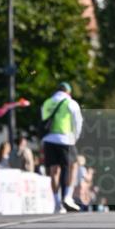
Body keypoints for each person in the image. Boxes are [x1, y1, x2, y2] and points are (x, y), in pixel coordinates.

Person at [41, 81, 83, 213]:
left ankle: (56, 202)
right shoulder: (70, 103)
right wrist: (75, 137)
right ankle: (67, 196)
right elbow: (78, 121)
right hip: (65, 138)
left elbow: (43, 119)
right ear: (68, 92)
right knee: (72, 166)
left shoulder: (47, 102)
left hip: (49, 139)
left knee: (54, 170)